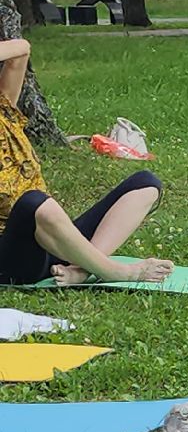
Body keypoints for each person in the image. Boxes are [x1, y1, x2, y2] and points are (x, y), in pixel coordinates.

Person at [0, 39, 171, 287]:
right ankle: (116, 272)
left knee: (145, 183)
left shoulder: (5, 110)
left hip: (51, 241)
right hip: (13, 259)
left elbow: (22, 48)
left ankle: (81, 270)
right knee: (33, 202)